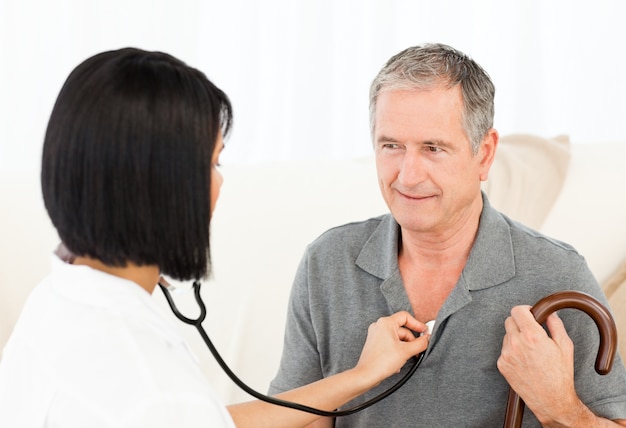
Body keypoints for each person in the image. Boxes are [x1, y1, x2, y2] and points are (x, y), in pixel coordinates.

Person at [0, 48, 431, 428]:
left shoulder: (60, 299)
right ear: (164, 188)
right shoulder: (147, 392)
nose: (220, 184)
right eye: (213, 163)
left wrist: (359, 375)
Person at [269, 43, 626, 427]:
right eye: (392, 146)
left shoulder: (557, 273)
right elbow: (299, 421)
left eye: (433, 148)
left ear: (485, 154)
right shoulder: (327, 263)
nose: (407, 176)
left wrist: (560, 406)